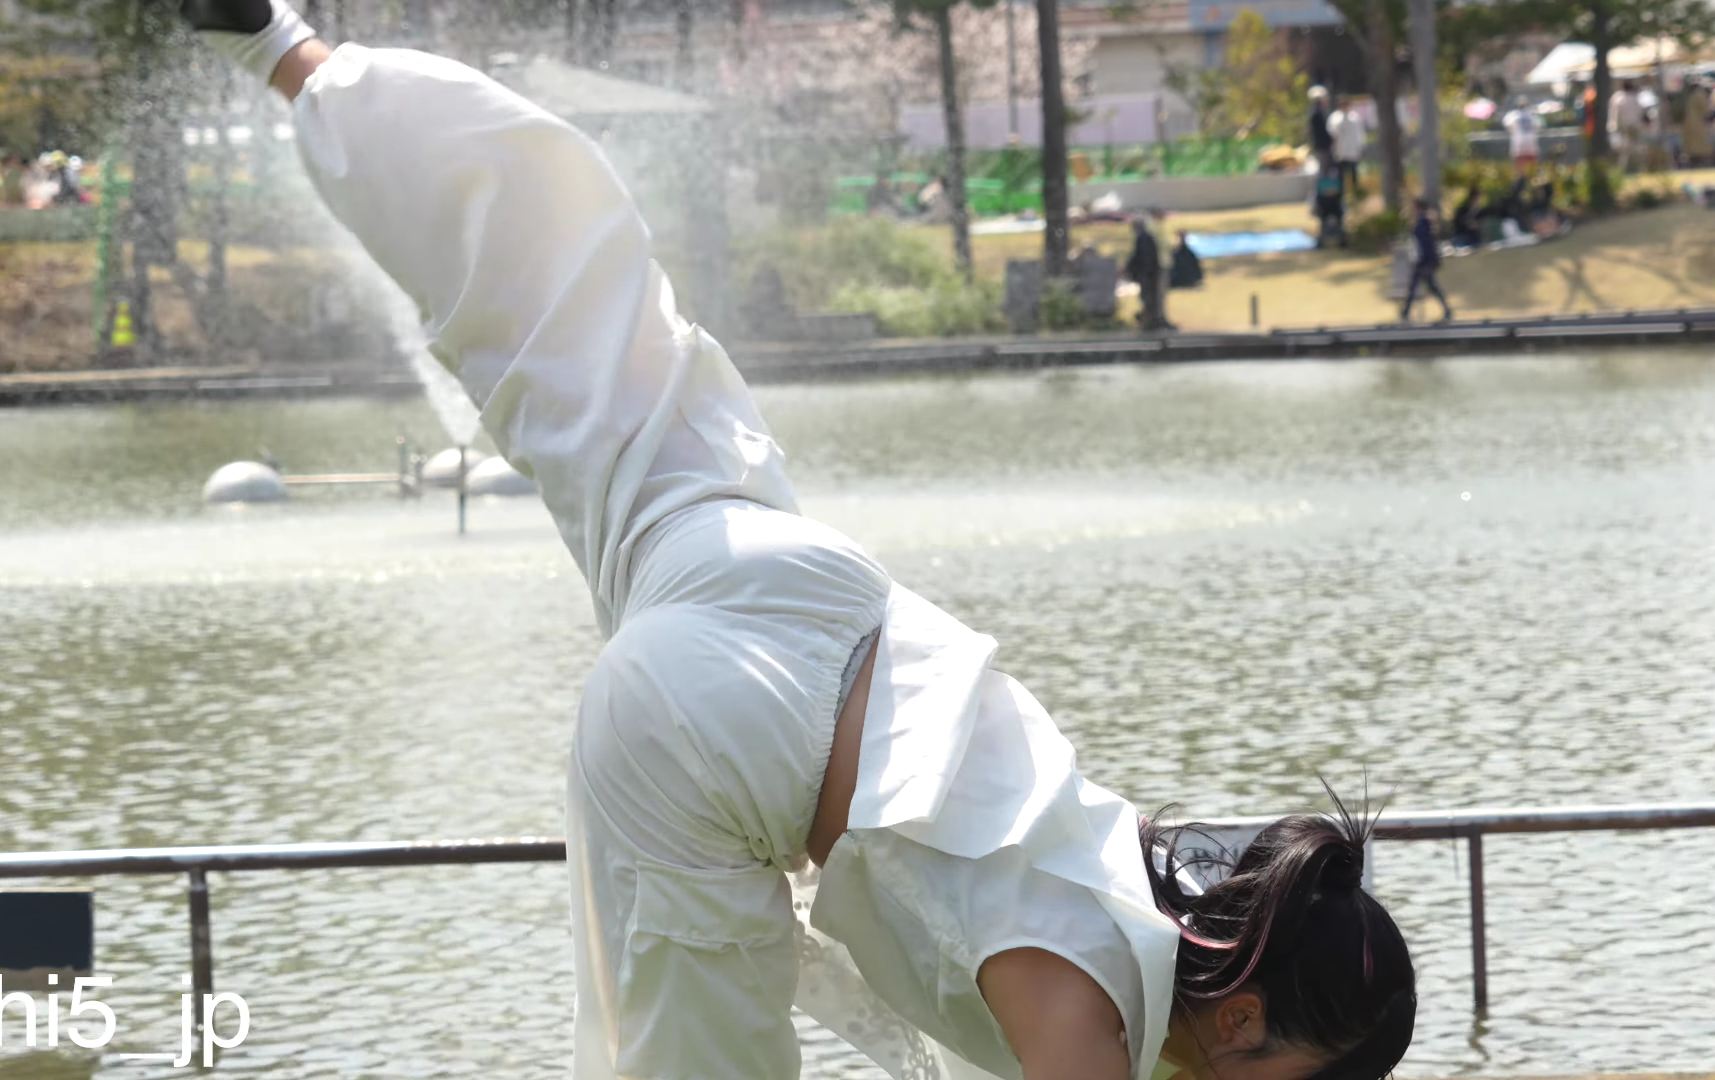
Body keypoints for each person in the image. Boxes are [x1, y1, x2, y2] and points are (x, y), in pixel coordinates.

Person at [182, 4, 1418, 1079]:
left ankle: (287, 50)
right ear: (1243, 1020)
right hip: (714, 734)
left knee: (582, 317)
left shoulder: (1121, 875)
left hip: (771, 570)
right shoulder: (1090, 1032)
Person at [1400, 198, 1452, 323]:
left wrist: (1428, 262)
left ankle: (1406, 312)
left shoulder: (1424, 223)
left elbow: (1427, 245)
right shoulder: (1423, 222)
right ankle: (1405, 312)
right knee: (1422, 285)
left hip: (1424, 261)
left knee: (1426, 286)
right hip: (1422, 260)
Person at [1125, 214, 1171, 330]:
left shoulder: (1144, 238)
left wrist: (1133, 269)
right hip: (1149, 274)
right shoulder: (1144, 238)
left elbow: (1142, 258)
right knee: (1149, 298)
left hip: (1150, 275)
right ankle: (1150, 319)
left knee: (1150, 298)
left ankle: (1152, 321)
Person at [1326, 97, 1365, 197]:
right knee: (1340, 175)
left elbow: (1360, 134)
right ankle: (1341, 195)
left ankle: (1355, 194)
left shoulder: (1355, 117)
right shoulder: (1334, 118)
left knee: (1354, 173)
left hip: (1353, 150)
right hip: (1340, 151)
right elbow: (1331, 133)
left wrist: (1361, 146)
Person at [1610, 80, 1647, 172]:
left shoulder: (1618, 98)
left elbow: (1615, 115)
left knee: (1625, 150)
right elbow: (1641, 113)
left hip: (1624, 127)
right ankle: (1636, 168)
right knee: (1634, 148)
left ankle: (1623, 169)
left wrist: (1614, 126)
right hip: (1634, 127)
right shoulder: (1635, 98)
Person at [1502, 97, 1540, 174]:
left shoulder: (1513, 115)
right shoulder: (1532, 115)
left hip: (1518, 142)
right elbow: (1539, 126)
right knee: (1531, 163)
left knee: (1519, 164)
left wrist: (1513, 131)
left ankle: (1521, 178)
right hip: (1531, 142)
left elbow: (1506, 124)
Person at [1312, 164, 1346, 249]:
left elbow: (1339, 193)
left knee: (1340, 224)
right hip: (1324, 206)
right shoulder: (1322, 182)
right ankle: (1321, 242)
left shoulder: (1337, 181)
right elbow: (1319, 195)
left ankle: (1343, 241)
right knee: (1323, 225)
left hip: (1335, 205)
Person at [1308, 85, 1334, 169]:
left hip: (1323, 145)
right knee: (1324, 166)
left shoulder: (1320, 112)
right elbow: (1323, 130)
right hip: (1322, 145)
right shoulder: (1317, 114)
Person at [1450, 184, 1483, 249]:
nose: (1477, 201)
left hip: (1474, 238)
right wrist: (1468, 222)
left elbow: (1481, 225)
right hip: (1462, 237)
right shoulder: (1462, 210)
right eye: (1476, 198)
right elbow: (1459, 222)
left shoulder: (1480, 211)